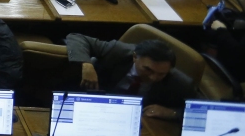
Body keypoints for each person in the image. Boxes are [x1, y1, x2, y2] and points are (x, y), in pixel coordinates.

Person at [64, 33, 195, 117]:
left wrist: (171, 113)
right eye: (148, 70)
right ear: (135, 57)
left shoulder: (180, 82)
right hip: (95, 106)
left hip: (136, 118)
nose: (153, 78)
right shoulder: (118, 52)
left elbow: (201, 111)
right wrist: (86, 64)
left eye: (161, 74)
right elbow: (76, 37)